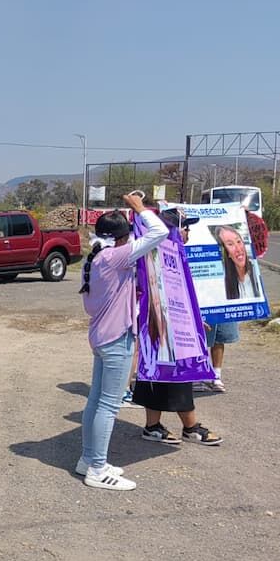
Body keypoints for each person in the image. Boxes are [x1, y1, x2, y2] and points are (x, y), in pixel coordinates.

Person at [76, 193, 168, 490]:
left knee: (95, 401)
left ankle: (88, 459)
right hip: (116, 338)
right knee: (109, 405)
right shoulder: (116, 257)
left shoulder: (96, 257)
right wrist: (140, 209)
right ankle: (97, 469)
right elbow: (159, 232)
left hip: (101, 336)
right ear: (122, 238)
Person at [136, 209, 222, 446]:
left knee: (160, 375)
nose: (188, 232)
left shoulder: (175, 252)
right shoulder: (159, 252)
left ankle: (153, 426)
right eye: (185, 227)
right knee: (175, 375)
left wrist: (193, 320)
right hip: (162, 327)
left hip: (174, 326)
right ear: (173, 229)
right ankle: (190, 428)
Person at [214, 225, 260, 300]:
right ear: (225, 252)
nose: (238, 249)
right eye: (230, 244)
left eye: (238, 241)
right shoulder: (221, 283)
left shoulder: (256, 273)